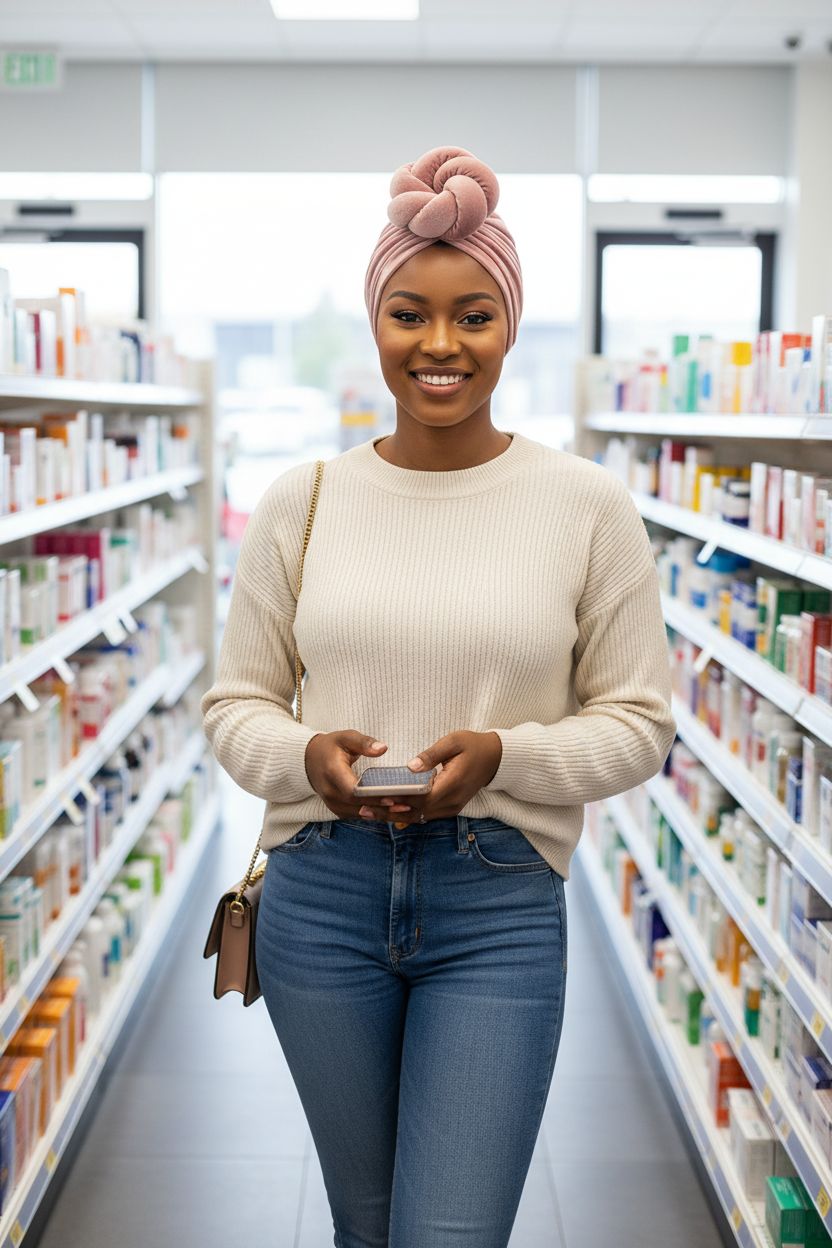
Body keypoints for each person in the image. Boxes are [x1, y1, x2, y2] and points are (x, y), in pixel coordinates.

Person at [202, 146, 675, 1248]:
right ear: (377, 324)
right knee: (365, 1230)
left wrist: (507, 757)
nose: (439, 345)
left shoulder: (584, 506)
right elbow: (237, 704)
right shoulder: (302, 500)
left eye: (474, 317)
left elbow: (638, 722)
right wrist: (306, 757)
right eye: (408, 313)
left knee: (450, 1232)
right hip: (320, 898)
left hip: (498, 905)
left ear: (509, 328)